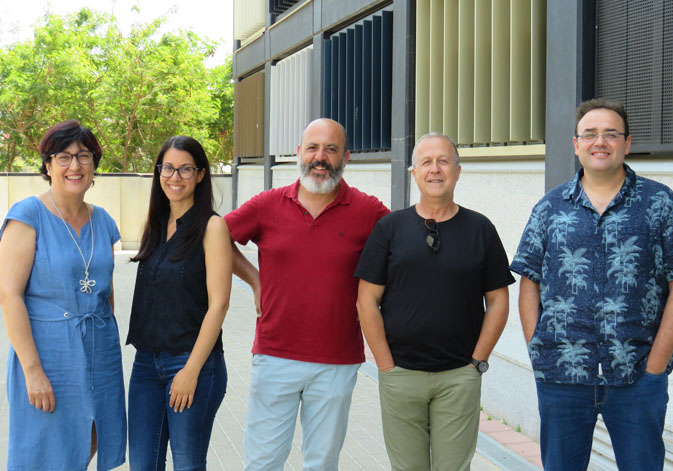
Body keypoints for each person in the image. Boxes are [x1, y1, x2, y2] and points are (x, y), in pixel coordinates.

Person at [510, 98, 673, 470]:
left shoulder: (660, 203)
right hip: (561, 377)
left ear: (627, 143)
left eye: (611, 134)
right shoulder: (550, 207)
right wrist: (539, 349)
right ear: (576, 144)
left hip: (636, 376)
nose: (600, 142)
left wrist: (657, 365)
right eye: (590, 134)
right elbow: (528, 280)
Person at [224, 118, 389, 470]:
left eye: (330, 149)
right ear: (299, 153)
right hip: (274, 354)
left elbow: (402, 253)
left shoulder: (369, 211)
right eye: (313, 148)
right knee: (263, 462)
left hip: (337, 361)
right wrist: (254, 279)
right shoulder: (268, 204)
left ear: (346, 157)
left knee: (322, 463)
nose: (320, 157)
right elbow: (217, 237)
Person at [355, 132, 514, 470]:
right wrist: (385, 365)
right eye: (426, 162)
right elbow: (366, 300)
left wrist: (477, 364)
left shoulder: (480, 229)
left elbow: (499, 300)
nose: (435, 169)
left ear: (457, 171)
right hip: (401, 374)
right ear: (414, 173)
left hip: (459, 375)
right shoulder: (389, 229)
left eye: (444, 161)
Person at [0, 120, 126, 470]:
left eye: (84, 156)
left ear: (94, 165)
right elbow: (9, 295)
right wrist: (33, 370)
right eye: (64, 157)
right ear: (47, 164)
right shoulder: (28, 216)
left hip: (100, 351)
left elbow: (107, 291)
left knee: (92, 437)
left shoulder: (103, 221)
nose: (75, 166)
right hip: (49, 353)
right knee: (46, 448)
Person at [126, 136, 232, 470]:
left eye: (185, 169)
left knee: (187, 464)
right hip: (146, 364)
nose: (175, 177)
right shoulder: (156, 224)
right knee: (143, 464)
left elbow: (219, 305)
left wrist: (190, 370)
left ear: (201, 174)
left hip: (192, 363)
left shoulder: (212, 227)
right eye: (168, 168)